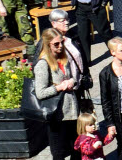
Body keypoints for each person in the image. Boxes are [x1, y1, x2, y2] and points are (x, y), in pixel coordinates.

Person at [34, 28, 80, 160]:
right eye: (56, 44)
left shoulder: (62, 58)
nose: (60, 46)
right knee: (59, 153)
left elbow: (70, 78)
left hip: (71, 111)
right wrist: (59, 87)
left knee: (77, 148)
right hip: (57, 115)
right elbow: (40, 92)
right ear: (48, 45)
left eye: (61, 43)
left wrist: (72, 81)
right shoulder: (43, 64)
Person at [44, 9, 90, 103]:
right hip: (63, 87)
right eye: (62, 21)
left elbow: (82, 57)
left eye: (67, 19)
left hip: (78, 82)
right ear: (54, 24)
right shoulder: (49, 41)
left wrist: (86, 74)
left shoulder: (73, 36)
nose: (67, 22)